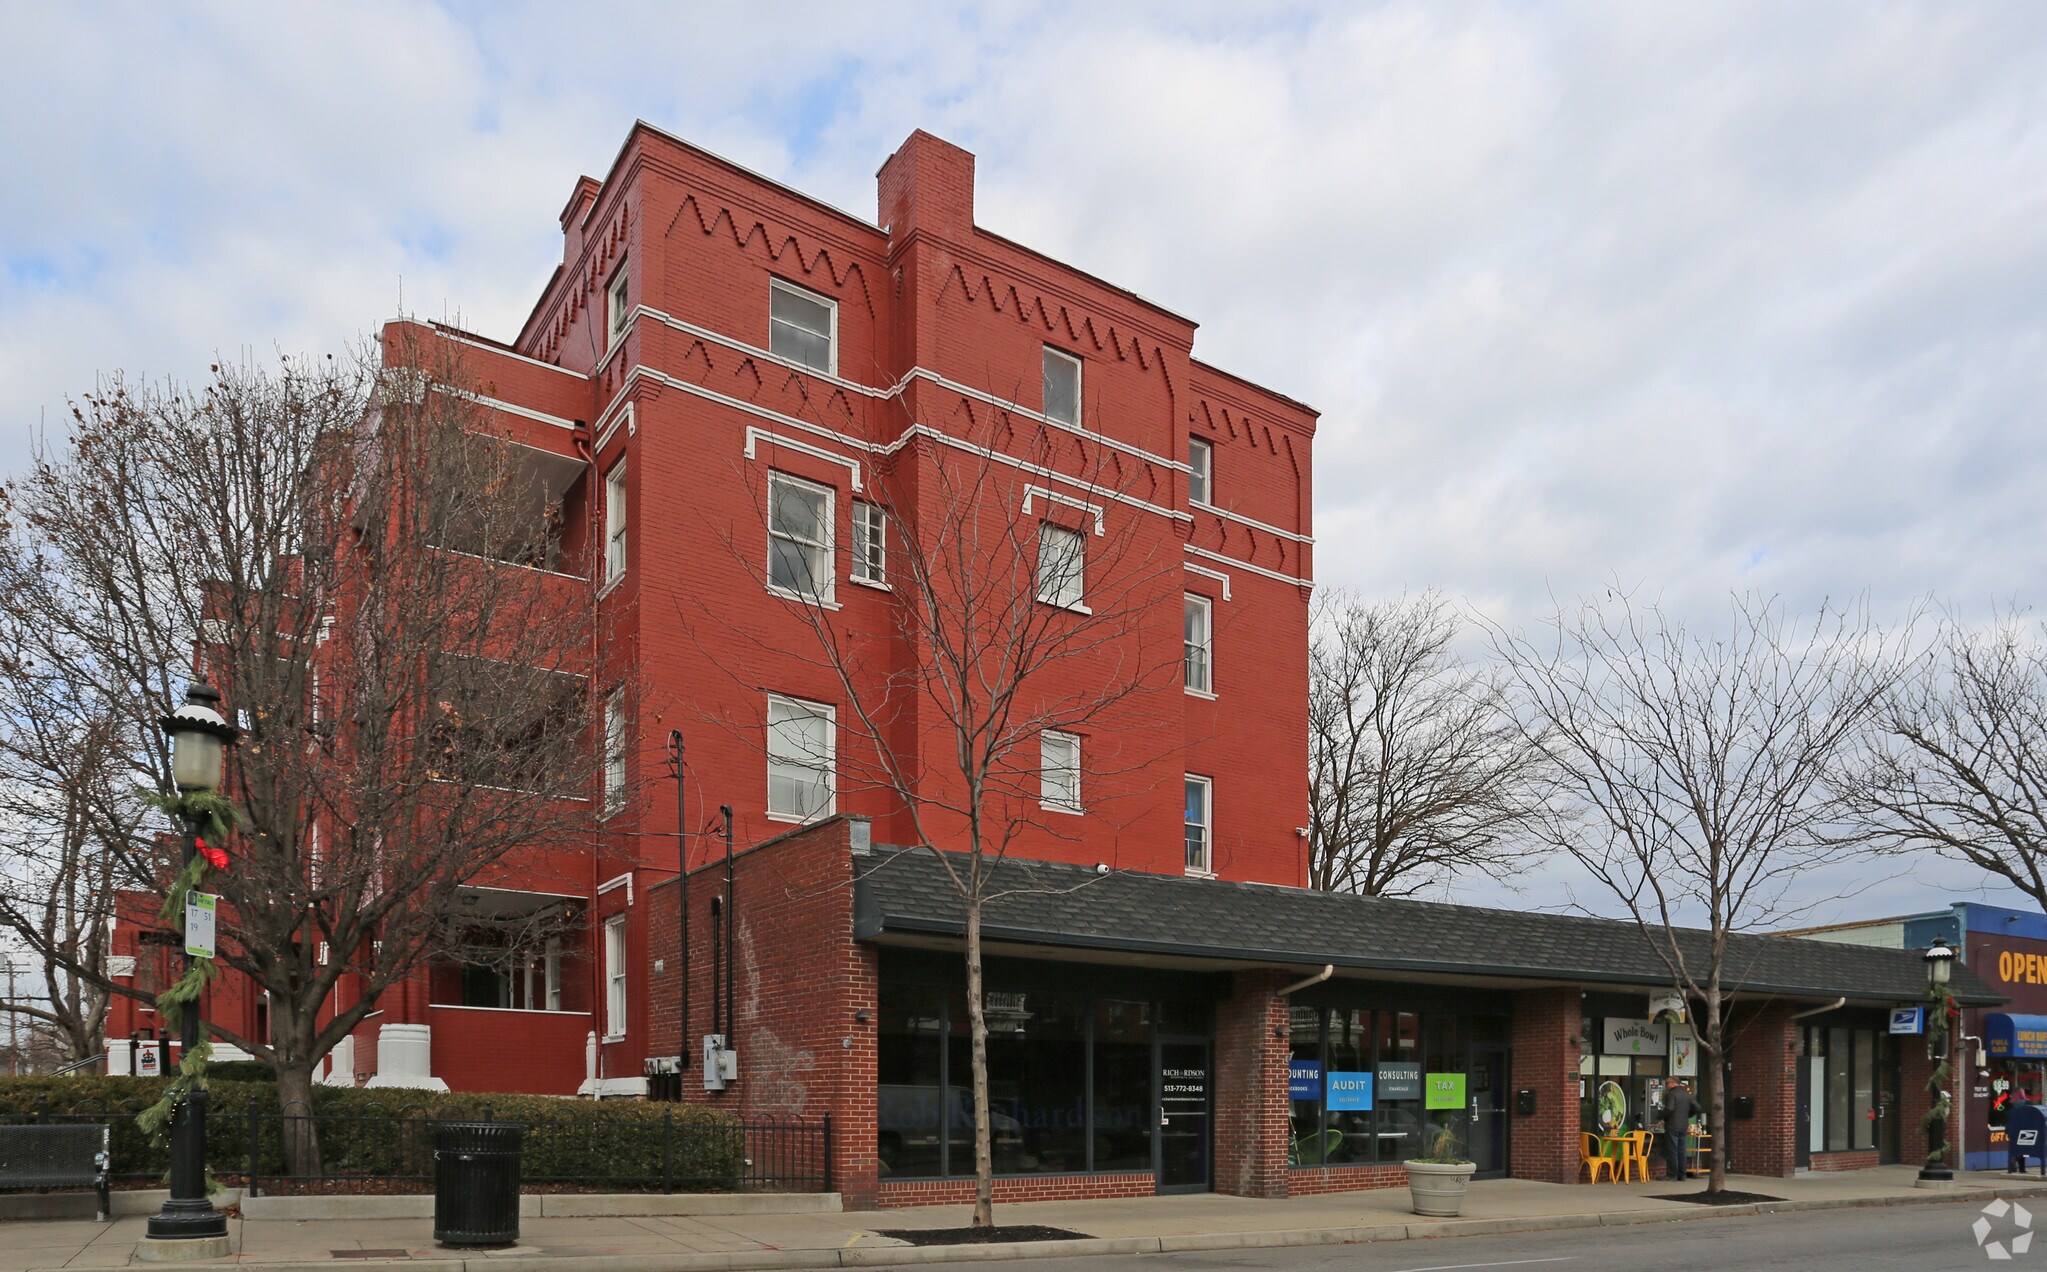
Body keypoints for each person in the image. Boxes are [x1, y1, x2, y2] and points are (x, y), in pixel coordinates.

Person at [1661, 1078, 1697, 1181]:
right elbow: (1697, 1107)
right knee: (1682, 1150)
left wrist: (1661, 1116)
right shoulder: (1687, 1094)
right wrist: (1687, 1115)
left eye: (1667, 1083)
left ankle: (1672, 1174)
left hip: (1672, 1125)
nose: (1667, 1085)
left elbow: (1669, 1108)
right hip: (1683, 1125)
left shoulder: (1671, 1094)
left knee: (1672, 1150)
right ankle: (1682, 1174)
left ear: (1672, 1083)